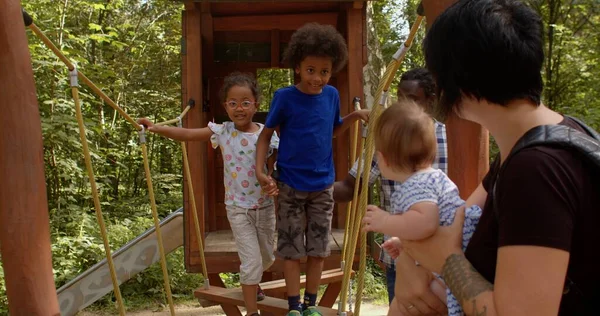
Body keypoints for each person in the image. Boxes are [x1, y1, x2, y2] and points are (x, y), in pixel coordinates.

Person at [397, 0, 598, 315]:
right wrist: (409, 262)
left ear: (458, 79)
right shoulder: (543, 141)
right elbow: (451, 225)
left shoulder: (538, 169)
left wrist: (448, 264)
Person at [138, 72, 280, 316]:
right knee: (252, 261)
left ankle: (252, 283)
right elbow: (189, 135)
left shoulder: (266, 134)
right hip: (237, 208)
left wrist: (273, 181)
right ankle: (252, 312)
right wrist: (157, 128)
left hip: (265, 207)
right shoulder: (222, 131)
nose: (239, 108)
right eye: (233, 103)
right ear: (225, 106)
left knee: (267, 258)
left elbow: (275, 166)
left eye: (246, 102)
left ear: (256, 105)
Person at [255, 23, 370, 316]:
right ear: (298, 67)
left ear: (332, 71)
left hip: (322, 185)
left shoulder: (331, 95)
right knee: (292, 249)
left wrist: (355, 115)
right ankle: (294, 306)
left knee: (319, 249)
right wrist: (260, 170)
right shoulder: (285, 96)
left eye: (324, 71)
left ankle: (311, 305)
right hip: (291, 183)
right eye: (311, 70)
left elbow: (332, 131)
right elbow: (266, 134)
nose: (317, 78)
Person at [333, 67, 447, 305]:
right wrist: (306, 189)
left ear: (430, 101)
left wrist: (385, 221)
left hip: (441, 258)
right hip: (401, 257)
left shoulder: (450, 139)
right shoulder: (386, 140)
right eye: (401, 98)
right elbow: (349, 187)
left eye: (413, 99)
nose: (405, 105)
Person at [361, 101, 482, 316]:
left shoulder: (414, 185)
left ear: (382, 159)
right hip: (453, 259)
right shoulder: (433, 178)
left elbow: (426, 223)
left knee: (399, 308)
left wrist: (386, 221)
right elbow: (430, 227)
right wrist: (404, 242)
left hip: (446, 272)